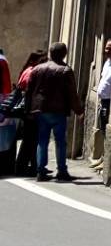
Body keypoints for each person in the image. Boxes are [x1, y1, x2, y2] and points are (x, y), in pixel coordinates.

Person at [27, 42, 78, 182]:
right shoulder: (66, 70)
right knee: (60, 141)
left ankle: (40, 171)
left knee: (42, 141)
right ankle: (61, 171)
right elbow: (72, 93)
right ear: (64, 54)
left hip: (41, 110)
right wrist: (78, 110)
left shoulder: (37, 69)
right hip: (58, 110)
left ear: (50, 53)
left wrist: (28, 109)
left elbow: (29, 91)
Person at [3, 50, 41, 178]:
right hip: (29, 110)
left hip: (25, 110)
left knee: (29, 139)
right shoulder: (32, 72)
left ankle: (26, 166)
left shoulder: (27, 70)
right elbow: (29, 92)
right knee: (31, 140)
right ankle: (25, 166)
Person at [92, 38, 111, 164]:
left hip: (110, 101)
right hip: (103, 101)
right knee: (103, 128)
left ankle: (106, 160)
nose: (107, 51)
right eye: (106, 48)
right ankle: (103, 157)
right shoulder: (107, 62)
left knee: (107, 129)